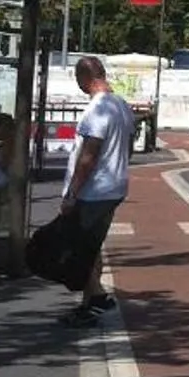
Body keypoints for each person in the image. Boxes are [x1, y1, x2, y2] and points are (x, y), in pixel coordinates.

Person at [57, 56, 135, 327]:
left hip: (94, 190)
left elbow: (88, 155)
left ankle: (98, 298)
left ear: (84, 79)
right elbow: (128, 146)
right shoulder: (122, 106)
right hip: (114, 185)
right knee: (93, 245)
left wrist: (72, 193)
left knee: (82, 247)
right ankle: (90, 302)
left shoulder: (97, 110)